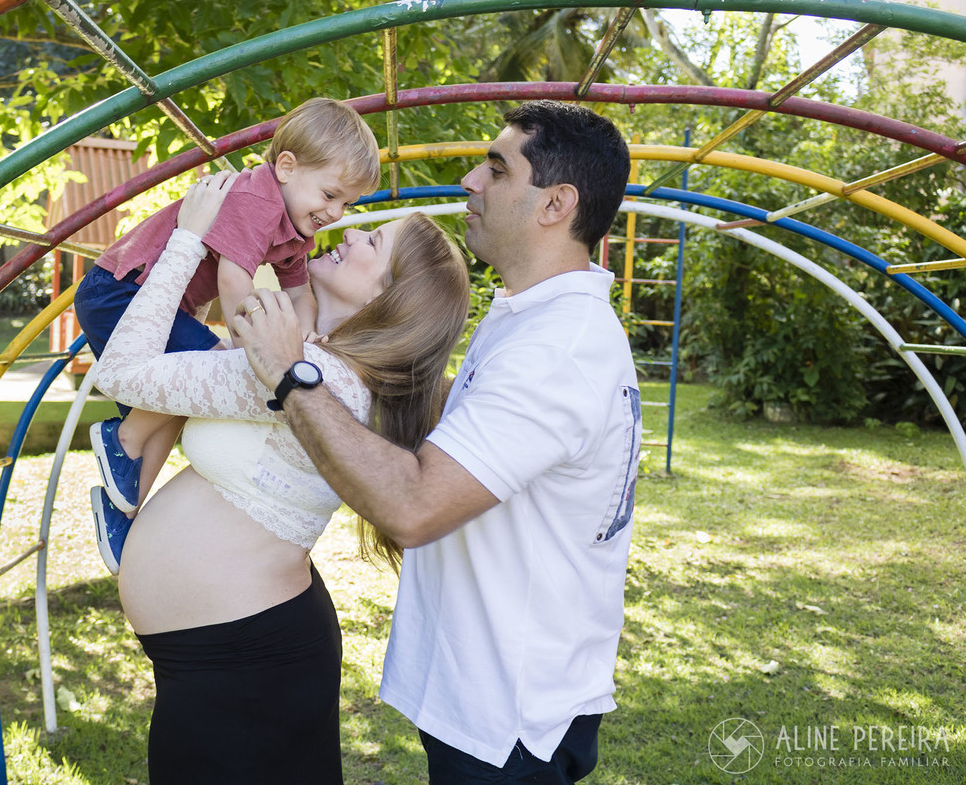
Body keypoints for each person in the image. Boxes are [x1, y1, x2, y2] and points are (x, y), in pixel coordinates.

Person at [232, 101, 641, 784]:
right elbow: (458, 419)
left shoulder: (558, 348)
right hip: (484, 692)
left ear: (555, 204)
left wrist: (290, 374)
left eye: (497, 168)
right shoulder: (527, 319)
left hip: (509, 714)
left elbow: (416, 505)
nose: (469, 184)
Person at [91, 168, 471, 784]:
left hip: (243, 664)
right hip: (238, 656)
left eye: (373, 242)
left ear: (385, 298)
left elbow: (125, 372)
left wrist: (188, 240)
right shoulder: (326, 366)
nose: (350, 233)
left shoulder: (307, 372)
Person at [74, 97, 380, 574]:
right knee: (211, 366)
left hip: (159, 302)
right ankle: (123, 438)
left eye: (347, 203)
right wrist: (248, 348)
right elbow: (234, 282)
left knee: (182, 404)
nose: (337, 212)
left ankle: (124, 507)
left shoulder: (296, 228)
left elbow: (300, 294)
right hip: (121, 290)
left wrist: (309, 337)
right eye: (330, 194)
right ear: (286, 166)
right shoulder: (255, 199)